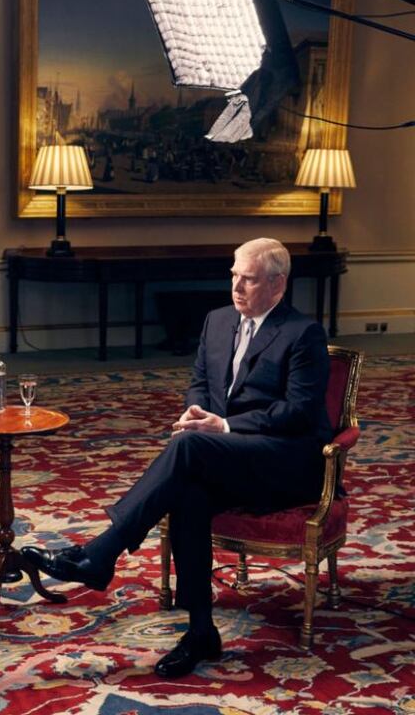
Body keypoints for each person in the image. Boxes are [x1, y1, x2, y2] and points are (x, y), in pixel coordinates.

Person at [23, 237, 332, 678]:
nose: (237, 286)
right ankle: (200, 631)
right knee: (188, 493)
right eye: (234, 275)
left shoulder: (302, 333)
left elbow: (298, 411)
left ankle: (102, 552)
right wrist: (196, 409)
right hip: (223, 456)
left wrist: (222, 427)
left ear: (278, 284)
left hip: (284, 461)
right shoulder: (217, 321)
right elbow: (200, 383)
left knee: (189, 447)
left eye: (248, 279)